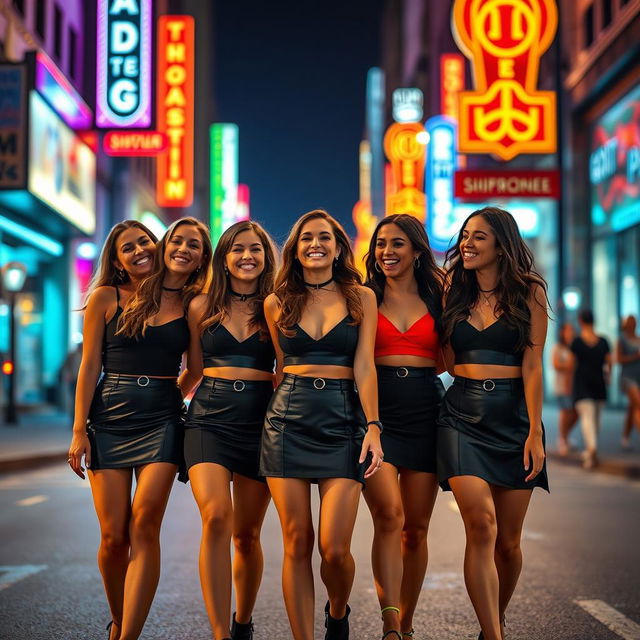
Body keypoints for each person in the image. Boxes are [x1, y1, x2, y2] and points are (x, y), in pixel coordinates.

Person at [68, 217, 211, 640]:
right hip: (109, 418)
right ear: (116, 259)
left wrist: (171, 395)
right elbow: (89, 365)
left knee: (145, 523)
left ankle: (128, 634)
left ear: (159, 243)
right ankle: (119, 618)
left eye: (144, 241)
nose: (139, 251)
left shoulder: (191, 303)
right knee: (114, 537)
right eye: (127, 247)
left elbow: (197, 369)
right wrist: (79, 430)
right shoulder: (105, 298)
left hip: (163, 423)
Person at [259, 209, 382, 640]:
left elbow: (365, 366)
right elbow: (279, 366)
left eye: (325, 237)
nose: (316, 244)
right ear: (295, 248)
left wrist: (373, 426)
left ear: (338, 246)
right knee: (296, 541)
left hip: (345, 419)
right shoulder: (276, 301)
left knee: (334, 548)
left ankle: (338, 609)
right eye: (307, 237)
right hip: (287, 420)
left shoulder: (361, 296)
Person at [437, 207, 549, 640]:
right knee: (481, 523)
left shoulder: (530, 292)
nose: (467, 243)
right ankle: (494, 635)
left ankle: (492, 622)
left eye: (478, 237)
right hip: (459, 415)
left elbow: (533, 365)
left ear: (501, 244)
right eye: (465, 235)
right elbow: (443, 358)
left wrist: (535, 431)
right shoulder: (452, 292)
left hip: (513, 416)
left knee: (509, 542)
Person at [180, 221, 278, 640]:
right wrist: (160, 405)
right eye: (237, 249)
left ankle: (242, 622)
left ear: (266, 257)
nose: (246, 257)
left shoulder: (277, 304)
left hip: (261, 421)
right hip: (209, 419)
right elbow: (193, 372)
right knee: (217, 515)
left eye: (255, 249)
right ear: (223, 257)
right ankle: (220, 632)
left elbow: (287, 368)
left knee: (247, 534)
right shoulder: (201, 306)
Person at [363, 214, 444, 640]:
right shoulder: (364, 297)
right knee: (389, 516)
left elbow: (448, 356)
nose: (387, 252)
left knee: (416, 528)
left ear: (416, 250)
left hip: (426, 410)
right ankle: (390, 619)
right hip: (378, 415)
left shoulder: (440, 296)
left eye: (397, 244)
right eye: (380, 244)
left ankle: (407, 623)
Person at [571, 309, 611, 469]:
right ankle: (591, 450)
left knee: (587, 418)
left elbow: (571, 365)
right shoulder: (603, 341)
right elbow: (609, 363)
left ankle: (591, 449)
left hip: (582, 384)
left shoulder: (577, 342)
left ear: (580, 321)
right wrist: (608, 377)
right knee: (596, 419)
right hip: (599, 383)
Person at [552, 323, 577, 456]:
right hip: (561, 386)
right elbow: (555, 364)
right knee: (565, 412)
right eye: (568, 331)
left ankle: (565, 437)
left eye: (572, 330)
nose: (570, 333)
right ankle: (562, 439)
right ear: (562, 333)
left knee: (575, 413)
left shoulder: (574, 347)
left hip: (575, 385)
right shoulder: (558, 347)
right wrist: (569, 365)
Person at [617, 315, 640, 449]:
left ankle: (625, 436)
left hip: (638, 376)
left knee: (632, 408)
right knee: (638, 404)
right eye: (631, 322)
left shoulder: (638, 338)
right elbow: (619, 359)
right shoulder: (622, 338)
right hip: (627, 377)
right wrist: (634, 357)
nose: (634, 324)